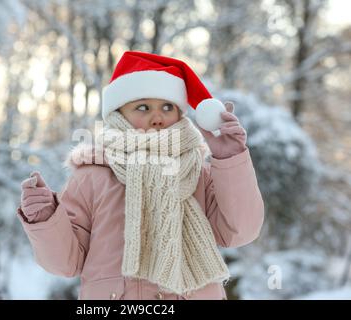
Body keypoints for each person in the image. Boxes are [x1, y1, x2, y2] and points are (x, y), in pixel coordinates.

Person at [17, 51, 265, 300]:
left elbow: (239, 232)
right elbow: (65, 263)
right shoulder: (92, 175)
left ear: (179, 114)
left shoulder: (198, 173)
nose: (157, 117)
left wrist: (230, 159)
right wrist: (46, 218)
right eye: (143, 107)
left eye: (167, 107)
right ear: (118, 114)